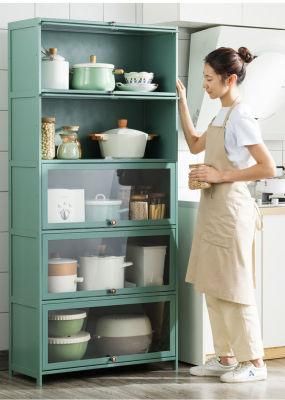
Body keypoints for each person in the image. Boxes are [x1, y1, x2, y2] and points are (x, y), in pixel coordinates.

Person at [177, 46, 276, 383]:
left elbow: (268, 167)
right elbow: (193, 143)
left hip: (232, 210)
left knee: (235, 287)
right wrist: (181, 100)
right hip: (212, 209)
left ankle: (255, 363)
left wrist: (220, 175)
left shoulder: (242, 116)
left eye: (208, 78)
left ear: (229, 78)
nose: (205, 84)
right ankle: (225, 357)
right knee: (213, 285)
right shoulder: (220, 115)